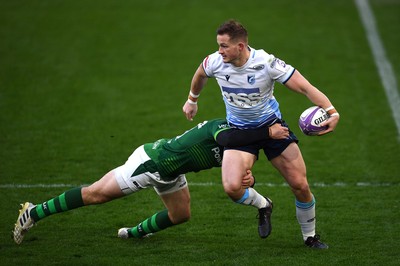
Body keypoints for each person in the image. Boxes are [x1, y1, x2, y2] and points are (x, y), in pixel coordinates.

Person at [182, 19, 340, 249]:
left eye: (224, 46)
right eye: (218, 45)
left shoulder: (266, 63)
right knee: (233, 188)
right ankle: (264, 204)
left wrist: (331, 111)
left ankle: (310, 236)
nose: (219, 51)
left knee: (300, 185)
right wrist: (191, 100)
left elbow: (304, 86)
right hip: (240, 132)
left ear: (241, 46)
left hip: (273, 129)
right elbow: (200, 74)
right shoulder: (215, 62)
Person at [13, 118, 289, 245]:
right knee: (96, 194)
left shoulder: (243, 143)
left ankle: (134, 234)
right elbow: (229, 142)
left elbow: (241, 161)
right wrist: (267, 132)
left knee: (180, 214)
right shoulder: (223, 128)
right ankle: (34, 212)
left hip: (171, 171)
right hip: (152, 162)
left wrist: (246, 174)